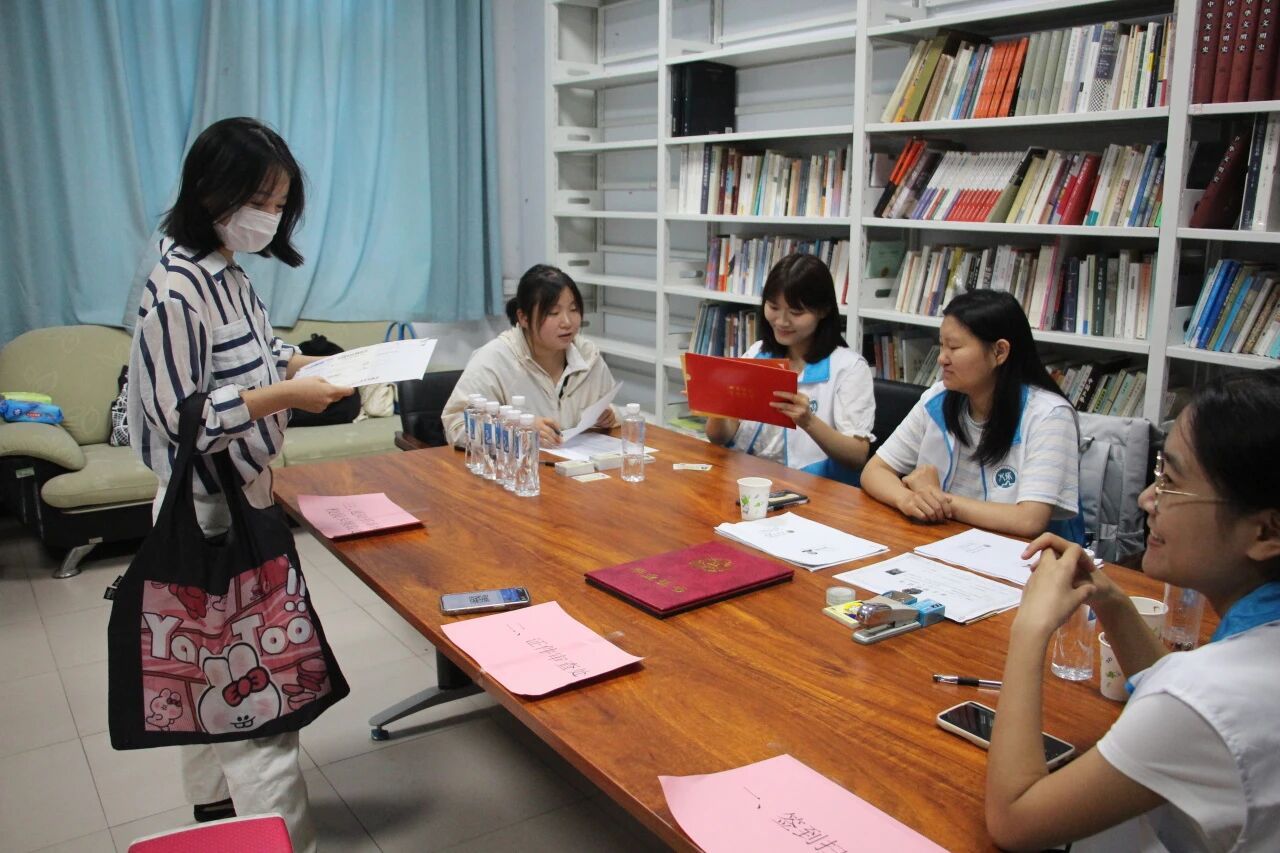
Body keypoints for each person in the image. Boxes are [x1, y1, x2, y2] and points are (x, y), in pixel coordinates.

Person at [128, 117, 351, 853]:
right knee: (257, 703)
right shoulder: (177, 287)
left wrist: (298, 365)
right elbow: (183, 416)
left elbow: (251, 352)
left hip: (241, 495)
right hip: (209, 512)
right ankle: (279, 840)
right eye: (259, 201)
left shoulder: (228, 271)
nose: (270, 218)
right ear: (211, 192)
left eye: (279, 204)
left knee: (202, 682)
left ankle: (219, 820)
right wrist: (285, 396)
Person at [985, 368, 1280, 852]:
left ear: (1266, 532)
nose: (1147, 499)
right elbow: (1183, 702)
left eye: (1171, 483)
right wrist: (1112, 602)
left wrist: (1031, 627)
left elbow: (1014, 820)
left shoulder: (1209, 694)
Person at [861, 289, 1082, 540]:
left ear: (999, 352)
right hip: (945, 543)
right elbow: (874, 471)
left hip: (1019, 554)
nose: (942, 358)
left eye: (954, 347)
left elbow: (1029, 520)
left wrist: (940, 500)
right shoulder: (938, 398)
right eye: (942, 345)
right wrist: (909, 499)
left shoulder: (1049, 416)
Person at [703, 253, 874, 484]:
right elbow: (719, 437)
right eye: (773, 307)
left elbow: (857, 456)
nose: (782, 321)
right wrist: (716, 407)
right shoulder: (758, 353)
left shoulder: (849, 368)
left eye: (796, 312)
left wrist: (809, 422)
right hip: (746, 478)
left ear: (823, 310)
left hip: (811, 488)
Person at [442, 264, 619, 448]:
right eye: (553, 313)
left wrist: (610, 415)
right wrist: (517, 431)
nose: (567, 322)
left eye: (573, 309)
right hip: (519, 464)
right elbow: (457, 427)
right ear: (524, 318)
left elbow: (615, 409)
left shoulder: (587, 354)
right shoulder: (494, 359)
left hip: (576, 462)